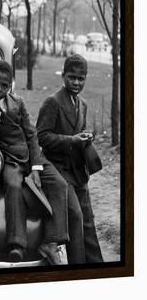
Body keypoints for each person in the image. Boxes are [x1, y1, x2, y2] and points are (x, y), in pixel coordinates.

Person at [0, 60, 68, 264]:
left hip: (31, 158)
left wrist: (36, 166)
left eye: (4, 85)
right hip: (9, 159)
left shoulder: (19, 103)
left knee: (58, 184)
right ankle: (16, 244)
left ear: (11, 86)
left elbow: (31, 135)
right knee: (13, 185)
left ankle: (52, 241)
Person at [36, 54, 104, 264]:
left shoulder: (81, 104)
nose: (76, 82)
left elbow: (77, 130)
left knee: (88, 221)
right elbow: (42, 136)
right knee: (75, 215)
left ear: (85, 79)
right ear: (63, 76)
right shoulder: (52, 102)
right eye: (72, 77)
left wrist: (85, 136)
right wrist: (72, 140)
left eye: (81, 78)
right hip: (58, 170)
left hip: (77, 170)